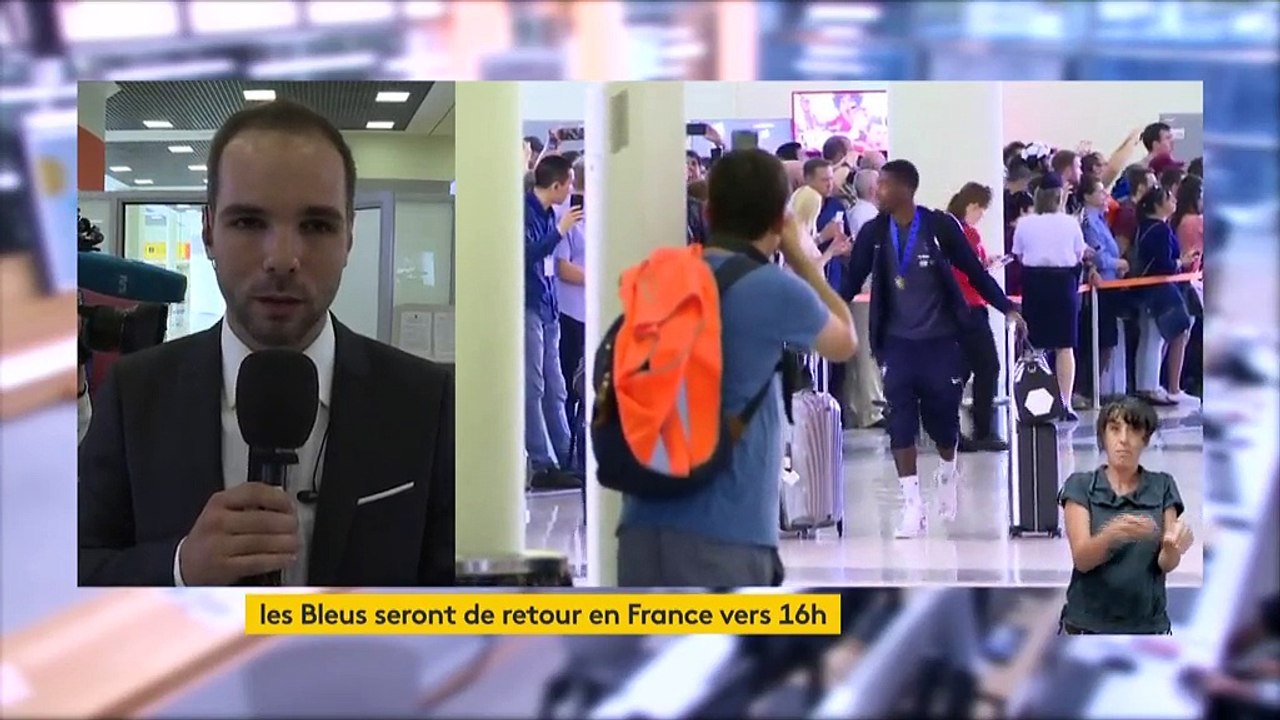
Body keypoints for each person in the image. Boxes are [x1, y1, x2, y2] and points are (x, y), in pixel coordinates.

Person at [78, 100, 455, 587]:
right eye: (249, 222)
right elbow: (75, 568)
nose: (281, 258)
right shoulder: (134, 393)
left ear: (349, 237)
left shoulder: (424, 400)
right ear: (208, 231)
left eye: (316, 225)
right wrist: (180, 568)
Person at [616, 149, 858, 587]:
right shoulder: (773, 288)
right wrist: (803, 259)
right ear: (779, 220)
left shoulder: (659, 278)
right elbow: (845, 341)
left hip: (641, 523)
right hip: (727, 530)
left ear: (708, 212)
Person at [844, 159, 1025, 538]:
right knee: (901, 421)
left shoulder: (940, 227)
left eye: (884, 185)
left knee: (942, 422)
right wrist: (821, 313)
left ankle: (947, 468)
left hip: (942, 341)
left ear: (906, 189)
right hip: (897, 344)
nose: (877, 191)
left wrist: (1007, 307)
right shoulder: (874, 233)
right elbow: (850, 282)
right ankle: (912, 506)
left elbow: (975, 272)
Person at [1058, 397, 1193, 634]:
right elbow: (1082, 559)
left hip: (1147, 626)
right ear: (1103, 436)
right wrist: (1112, 534)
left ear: (1145, 439)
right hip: (1087, 625)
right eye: (1115, 429)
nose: (1124, 439)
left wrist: (1173, 548)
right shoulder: (1080, 486)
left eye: (1134, 430)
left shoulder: (1163, 485)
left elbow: (1165, 562)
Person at [1011, 172, 1090, 422]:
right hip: (1063, 283)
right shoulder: (1070, 224)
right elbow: (1079, 255)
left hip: (1034, 283)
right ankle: (1065, 403)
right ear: (1060, 197)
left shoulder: (1025, 224)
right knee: (1065, 345)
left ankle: (1034, 401)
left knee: (1034, 345)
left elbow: (1019, 255)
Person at [524, 155, 582, 489]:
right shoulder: (526, 212)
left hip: (548, 309)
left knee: (556, 387)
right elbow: (526, 254)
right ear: (557, 185)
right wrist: (560, 231)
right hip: (530, 306)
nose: (572, 190)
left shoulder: (548, 214)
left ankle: (566, 458)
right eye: (569, 183)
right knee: (534, 386)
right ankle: (541, 462)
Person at [946, 182, 1008, 452]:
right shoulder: (967, 233)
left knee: (961, 368)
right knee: (987, 366)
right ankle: (983, 427)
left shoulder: (951, 231)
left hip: (955, 306)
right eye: (982, 209)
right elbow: (972, 272)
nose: (982, 215)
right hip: (970, 305)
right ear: (972, 206)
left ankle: (953, 427)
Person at [1134, 186, 1198, 405]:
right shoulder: (1159, 230)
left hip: (1149, 291)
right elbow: (1164, 264)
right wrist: (1181, 261)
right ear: (1157, 205)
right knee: (1155, 338)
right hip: (1158, 291)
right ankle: (1150, 386)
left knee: (1150, 338)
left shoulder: (1146, 227)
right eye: (1168, 199)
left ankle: (1147, 384)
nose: (1174, 201)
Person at [1080, 175, 1130, 400]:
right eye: (1099, 192)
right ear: (1087, 196)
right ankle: (1087, 389)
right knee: (1100, 340)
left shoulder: (1101, 219)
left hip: (1111, 284)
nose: (1104, 195)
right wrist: (1117, 263)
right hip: (1100, 288)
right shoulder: (1088, 222)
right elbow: (1098, 255)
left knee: (1108, 340)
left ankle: (1095, 388)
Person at [555, 159, 587, 458]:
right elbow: (563, 268)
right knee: (566, 384)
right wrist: (599, 276)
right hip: (569, 314)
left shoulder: (600, 220)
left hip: (591, 315)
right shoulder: (567, 219)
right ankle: (566, 453)